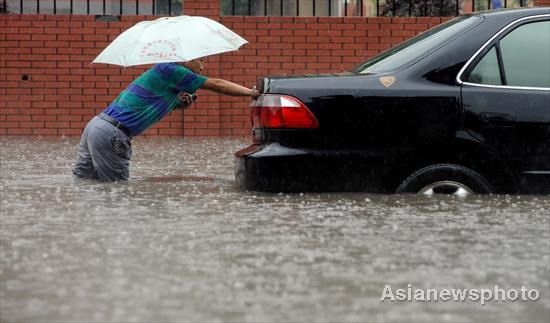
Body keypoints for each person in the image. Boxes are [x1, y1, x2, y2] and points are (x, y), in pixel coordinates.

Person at [73, 57, 260, 182]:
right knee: (116, 193)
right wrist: (251, 93)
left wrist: (178, 104)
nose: (202, 67)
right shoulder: (171, 70)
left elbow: (148, 104)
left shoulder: (163, 73)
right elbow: (217, 84)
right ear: (187, 58)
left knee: (84, 183)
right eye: (201, 61)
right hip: (112, 134)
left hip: (96, 126)